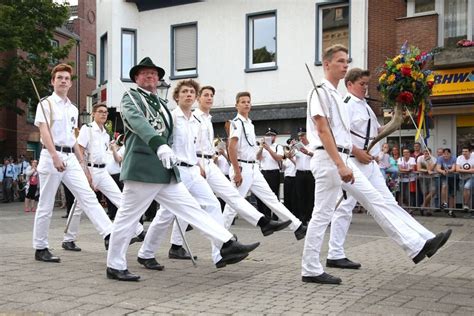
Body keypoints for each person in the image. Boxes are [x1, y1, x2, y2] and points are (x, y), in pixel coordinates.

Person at [301, 49, 450, 285]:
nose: (345, 65)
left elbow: (343, 134)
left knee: (350, 207)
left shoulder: (336, 96)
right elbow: (322, 131)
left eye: (346, 61)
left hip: (341, 157)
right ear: (326, 64)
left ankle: (416, 245)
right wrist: (341, 164)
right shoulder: (319, 92)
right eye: (340, 61)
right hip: (331, 159)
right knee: (330, 212)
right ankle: (415, 245)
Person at [106, 57, 259, 281]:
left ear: (158, 79)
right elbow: (138, 122)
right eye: (144, 73)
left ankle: (226, 244)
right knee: (128, 218)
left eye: (153, 74)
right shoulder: (131, 97)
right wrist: (159, 146)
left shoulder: (161, 105)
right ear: (136, 78)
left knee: (192, 209)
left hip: (165, 171)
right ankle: (114, 264)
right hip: (143, 169)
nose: (149, 77)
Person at [148, 84, 290, 263]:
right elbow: (186, 145)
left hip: (205, 163)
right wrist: (198, 164)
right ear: (197, 99)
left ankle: (240, 238)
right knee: (167, 214)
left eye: (211, 96)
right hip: (193, 165)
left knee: (221, 200)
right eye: (204, 95)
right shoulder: (188, 117)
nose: (208, 98)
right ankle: (151, 251)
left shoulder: (205, 118)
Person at [33, 63, 115, 263]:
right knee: (46, 204)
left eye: (67, 78)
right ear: (53, 81)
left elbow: (72, 136)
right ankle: (40, 247)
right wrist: (54, 156)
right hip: (51, 156)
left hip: (70, 157)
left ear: (70, 83)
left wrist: (82, 164)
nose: (63, 81)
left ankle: (109, 234)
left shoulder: (73, 108)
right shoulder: (45, 104)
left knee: (87, 195)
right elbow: (44, 132)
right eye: (59, 77)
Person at [61, 103, 145, 252]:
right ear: (93, 114)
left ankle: (138, 230)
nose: (104, 114)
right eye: (100, 112)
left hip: (103, 171)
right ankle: (68, 239)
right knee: (79, 206)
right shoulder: (87, 129)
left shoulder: (106, 133)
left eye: (106, 112)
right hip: (90, 169)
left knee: (119, 198)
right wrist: (85, 172)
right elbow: (79, 149)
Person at [223, 92, 307, 240]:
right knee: (232, 206)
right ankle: (221, 238)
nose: (246, 104)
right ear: (236, 105)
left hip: (253, 168)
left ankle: (297, 226)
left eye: (248, 101)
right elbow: (231, 147)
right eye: (242, 102)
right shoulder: (236, 123)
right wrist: (237, 171)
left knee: (271, 198)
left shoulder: (250, 124)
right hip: (242, 168)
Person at [256, 128, 284, 219]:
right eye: (267, 135)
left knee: (274, 194)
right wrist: (261, 147)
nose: (269, 137)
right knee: (264, 194)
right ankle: (266, 215)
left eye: (271, 135)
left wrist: (268, 149)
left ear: (275, 137)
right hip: (264, 172)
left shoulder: (278, 146)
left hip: (274, 173)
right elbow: (258, 158)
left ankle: (276, 215)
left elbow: (278, 158)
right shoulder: (262, 147)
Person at [294, 127, 315, 224]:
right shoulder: (297, 147)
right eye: (299, 136)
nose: (301, 137)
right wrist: (291, 149)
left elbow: (316, 156)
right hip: (299, 173)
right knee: (300, 196)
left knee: (310, 196)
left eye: (302, 135)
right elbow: (288, 156)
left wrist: (307, 152)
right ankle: (302, 218)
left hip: (310, 173)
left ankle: (309, 217)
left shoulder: (313, 145)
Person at [104, 134, 125, 220]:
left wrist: (114, 150)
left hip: (117, 175)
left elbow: (118, 160)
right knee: (109, 196)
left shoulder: (123, 148)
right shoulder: (109, 148)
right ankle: (111, 213)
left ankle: (120, 214)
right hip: (107, 174)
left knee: (118, 195)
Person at [436, 148, 458, 212]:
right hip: (445, 176)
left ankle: (451, 209)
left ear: (450, 154)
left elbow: (454, 168)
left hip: (453, 177)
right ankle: (444, 203)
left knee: (452, 193)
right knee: (444, 186)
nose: (445, 155)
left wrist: (449, 171)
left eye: (447, 154)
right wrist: (442, 171)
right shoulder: (440, 158)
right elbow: (438, 168)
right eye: (444, 154)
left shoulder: (454, 158)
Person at [416, 148, 436, 216]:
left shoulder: (434, 159)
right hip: (422, 178)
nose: (426, 154)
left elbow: (431, 168)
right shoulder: (420, 158)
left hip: (431, 178)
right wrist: (427, 171)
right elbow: (419, 169)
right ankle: (428, 210)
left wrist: (428, 161)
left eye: (428, 153)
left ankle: (423, 205)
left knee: (432, 192)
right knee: (425, 193)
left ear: (430, 153)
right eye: (425, 152)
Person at [282, 138, 297, 216]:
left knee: (295, 197)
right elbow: (283, 168)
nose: (290, 147)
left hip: (295, 177)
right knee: (287, 197)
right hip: (287, 178)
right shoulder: (285, 157)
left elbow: (297, 165)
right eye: (289, 145)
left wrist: (291, 157)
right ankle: (288, 214)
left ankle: (295, 213)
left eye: (292, 145)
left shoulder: (296, 155)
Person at [456, 145, 474, 211]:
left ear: (470, 152)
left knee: (466, 187)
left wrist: (462, 170)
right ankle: (468, 208)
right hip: (462, 178)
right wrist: (469, 171)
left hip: (471, 177)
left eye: (466, 151)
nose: (464, 153)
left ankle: (466, 204)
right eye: (463, 151)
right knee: (464, 192)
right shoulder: (459, 158)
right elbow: (457, 169)